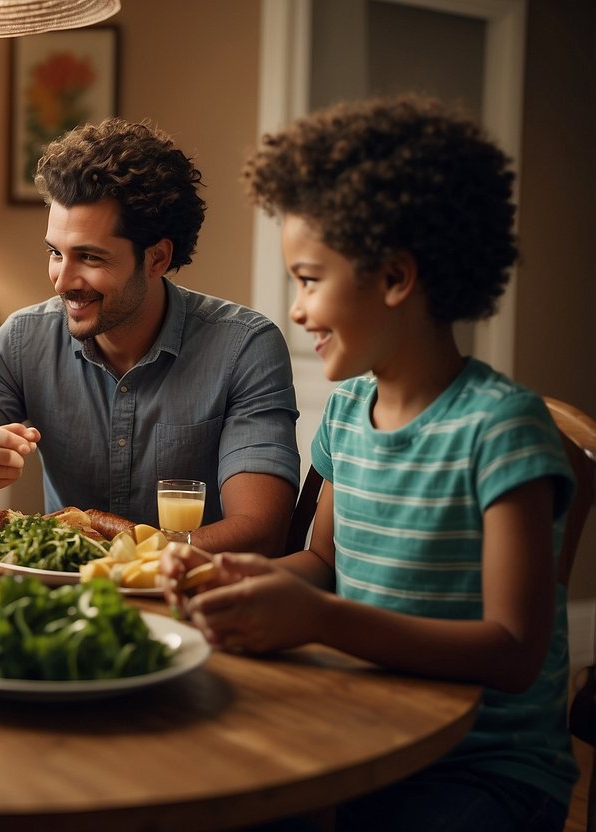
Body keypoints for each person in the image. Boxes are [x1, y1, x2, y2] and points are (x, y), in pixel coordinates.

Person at [162, 94, 577, 831]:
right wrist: (225, 575)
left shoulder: (501, 429)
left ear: (393, 278)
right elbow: (321, 562)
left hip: (481, 767)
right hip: (361, 727)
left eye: (309, 278)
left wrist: (320, 620)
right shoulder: (348, 410)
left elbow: (513, 653)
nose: (294, 308)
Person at [0, 118, 300, 555]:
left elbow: (261, 531)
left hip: (194, 601)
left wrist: (128, 559)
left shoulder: (243, 347)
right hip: (62, 601)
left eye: (89, 257)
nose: (62, 280)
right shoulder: (23, 340)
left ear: (157, 258)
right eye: (55, 253)